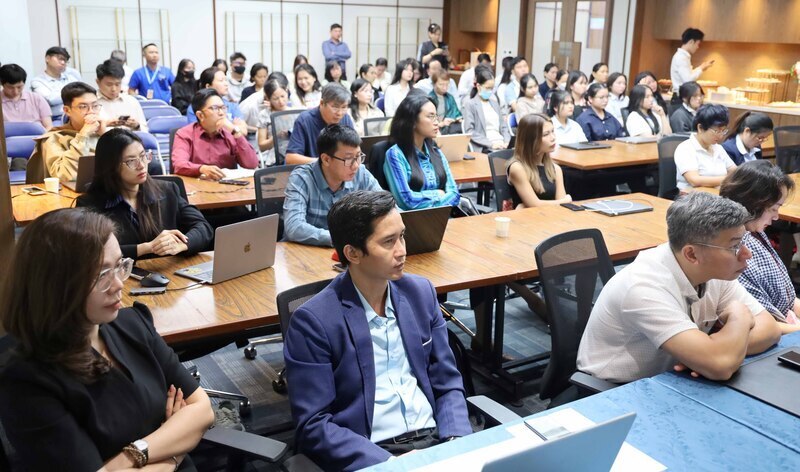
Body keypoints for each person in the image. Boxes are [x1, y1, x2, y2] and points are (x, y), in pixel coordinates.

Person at [0, 208, 215, 470]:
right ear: (55, 285)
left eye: (120, 266)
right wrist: (174, 448)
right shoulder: (27, 381)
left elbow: (202, 409)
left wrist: (134, 455)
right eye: (102, 275)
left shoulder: (132, 323)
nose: (119, 285)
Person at [284, 190, 472, 470]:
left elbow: (447, 382)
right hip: (372, 453)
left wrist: (456, 439)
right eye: (388, 242)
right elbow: (313, 424)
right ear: (353, 253)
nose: (402, 250)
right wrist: (388, 463)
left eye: (402, 236)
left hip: (439, 441)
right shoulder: (314, 321)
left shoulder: (420, 293)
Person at [577, 191, 782, 383]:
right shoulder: (642, 287)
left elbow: (770, 329)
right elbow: (720, 366)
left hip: (669, 381)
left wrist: (718, 350)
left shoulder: (713, 270)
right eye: (734, 247)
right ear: (692, 254)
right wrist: (739, 317)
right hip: (613, 392)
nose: (747, 254)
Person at [76, 128, 213, 260]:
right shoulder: (90, 204)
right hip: (122, 278)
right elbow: (91, 251)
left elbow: (203, 227)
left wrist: (183, 244)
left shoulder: (168, 190)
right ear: (110, 166)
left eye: (143, 156)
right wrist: (146, 248)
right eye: (131, 161)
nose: (141, 165)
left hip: (170, 272)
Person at [720, 162, 800, 334]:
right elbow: (759, 323)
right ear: (753, 204)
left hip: (783, 322)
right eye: (773, 209)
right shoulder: (730, 246)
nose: (777, 216)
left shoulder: (754, 230)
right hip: (768, 333)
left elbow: (788, 299)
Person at [283, 125, 382, 247]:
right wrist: (341, 239)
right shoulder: (301, 178)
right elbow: (294, 227)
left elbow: (384, 206)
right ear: (326, 159)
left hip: (346, 252)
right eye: (349, 159)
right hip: (304, 252)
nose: (356, 165)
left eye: (358, 157)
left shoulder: (361, 174)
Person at [384, 94, 461, 210]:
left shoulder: (436, 151)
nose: (436, 122)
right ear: (412, 121)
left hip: (443, 218)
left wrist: (431, 201)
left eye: (436, 117)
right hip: (413, 223)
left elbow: (454, 194)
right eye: (430, 117)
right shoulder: (395, 154)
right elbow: (406, 200)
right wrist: (438, 194)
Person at [171, 89, 258, 180]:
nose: (221, 113)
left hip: (228, 188)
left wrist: (235, 131)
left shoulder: (230, 134)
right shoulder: (185, 134)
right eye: (215, 108)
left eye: (223, 108)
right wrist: (201, 169)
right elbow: (179, 165)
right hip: (196, 187)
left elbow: (251, 164)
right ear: (200, 115)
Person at [32, 82, 107, 181]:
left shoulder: (102, 133)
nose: (91, 111)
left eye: (95, 106)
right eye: (83, 107)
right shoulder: (54, 138)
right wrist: (83, 135)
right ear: (67, 110)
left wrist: (106, 137)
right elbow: (65, 176)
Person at [506, 113, 571, 209]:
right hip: (526, 221)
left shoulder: (556, 169)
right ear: (531, 140)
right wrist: (564, 201)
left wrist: (562, 202)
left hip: (551, 219)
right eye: (546, 134)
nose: (553, 138)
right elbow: (534, 205)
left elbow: (562, 208)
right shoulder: (517, 168)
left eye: (553, 131)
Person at [285, 83, 356, 165]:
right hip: (311, 171)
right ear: (322, 103)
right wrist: (324, 161)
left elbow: (354, 150)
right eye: (335, 107)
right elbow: (290, 158)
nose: (340, 113)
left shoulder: (345, 118)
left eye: (344, 107)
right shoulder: (304, 120)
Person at [674, 104, 735, 191]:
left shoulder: (718, 148)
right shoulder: (685, 148)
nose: (721, 136)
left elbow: (735, 172)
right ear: (700, 128)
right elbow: (694, 180)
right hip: (692, 199)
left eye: (723, 131)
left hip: (718, 196)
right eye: (717, 131)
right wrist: (727, 179)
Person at [185, 68, 246, 134]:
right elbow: (197, 133)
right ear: (208, 86)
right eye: (221, 80)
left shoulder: (232, 105)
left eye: (226, 80)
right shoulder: (195, 107)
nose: (226, 84)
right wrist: (232, 126)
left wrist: (229, 126)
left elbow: (244, 132)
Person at [463, 65, 510, 153]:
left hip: (502, 144)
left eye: (492, 88)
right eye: (487, 88)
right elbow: (470, 131)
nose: (490, 91)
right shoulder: (470, 104)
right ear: (478, 86)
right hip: (485, 146)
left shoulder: (494, 103)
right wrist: (491, 144)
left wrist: (507, 141)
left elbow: (503, 126)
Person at [95, 59, 148, 132]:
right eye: (109, 84)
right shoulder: (91, 103)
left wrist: (136, 126)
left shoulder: (131, 101)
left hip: (130, 140)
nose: (114, 89)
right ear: (98, 82)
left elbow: (145, 130)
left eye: (117, 84)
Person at [30, 46, 82, 116]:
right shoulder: (37, 81)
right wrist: (73, 93)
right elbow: (50, 100)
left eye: (65, 60)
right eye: (60, 59)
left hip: (77, 114)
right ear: (47, 58)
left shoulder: (71, 78)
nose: (63, 62)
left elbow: (82, 92)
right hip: (56, 117)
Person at [0, 64, 52, 129]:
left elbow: (48, 126)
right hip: (8, 138)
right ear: (1, 84)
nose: (15, 91)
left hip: (37, 137)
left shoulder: (36, 98)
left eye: (19, 87)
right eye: (10, 87)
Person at [256, 79, 293, 164]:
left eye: (283, 96)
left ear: (287, 92)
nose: (280, 101)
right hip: (274, 158)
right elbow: (262, 146)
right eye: (275, 98)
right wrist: (276, 137)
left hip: (293, 153)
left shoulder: (294, 112)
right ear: (268, 99)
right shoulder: (264, 115)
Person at [670, 28, 714, 98]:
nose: (697, 47)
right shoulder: (681, 57)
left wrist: (701, 67)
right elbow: (688, 80)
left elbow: (688, 75)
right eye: (698, 44)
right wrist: (701, 69)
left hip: (681, 97)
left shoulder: (683, 56)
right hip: (680, 98)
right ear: (691, 42)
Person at [428, 70, 462, 135]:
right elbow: (428, 122)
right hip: (436, 130)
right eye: (441, 84)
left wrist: (458, 119)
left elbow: (456, 113)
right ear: (434, 84)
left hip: (450, 129)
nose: (445, 87)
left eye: (447, 84)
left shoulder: (450, 97)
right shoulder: (430, 99)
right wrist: (442, 123)